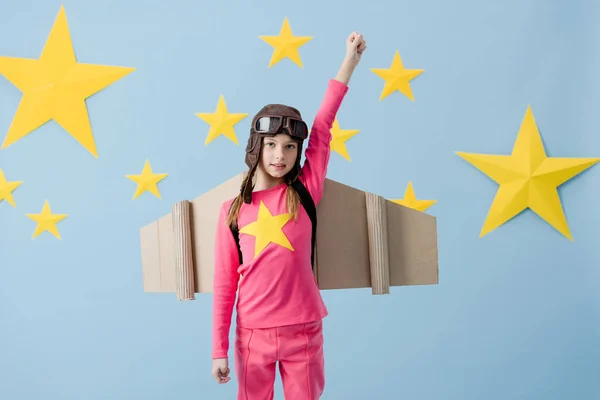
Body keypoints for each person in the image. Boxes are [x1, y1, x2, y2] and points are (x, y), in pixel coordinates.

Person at [211, 31, 367, 399]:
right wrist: (219, 349)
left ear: (298, 151)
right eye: (271, 145)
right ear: (257, 148)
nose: (280, 155)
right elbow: (223, 286)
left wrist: (349, 62)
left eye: (289, 147)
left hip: (304, 332)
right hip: (252, 335)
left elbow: (324, 126)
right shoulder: (232, 211)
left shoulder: (305, 190)